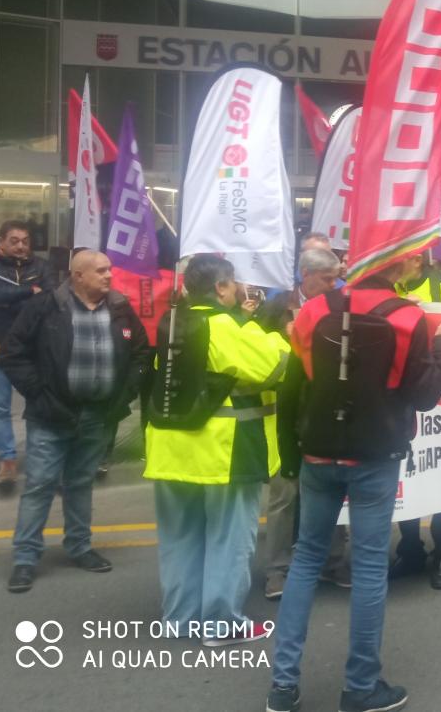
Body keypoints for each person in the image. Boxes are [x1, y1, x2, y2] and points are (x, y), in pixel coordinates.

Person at [266, 254, 441, 712]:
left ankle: (282, 686)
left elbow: (295, 386)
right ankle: (360, 687)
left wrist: (292, 456)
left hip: (318, 449)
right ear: (400, 262)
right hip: (375, 453)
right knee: (370, 565)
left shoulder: (313, 309)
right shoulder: (410, 318)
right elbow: (425, 398)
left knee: (306, 558)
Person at [144, 254, 290, 643]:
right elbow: (275, 366)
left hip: (170, 451)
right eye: (235, 282)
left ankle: (179, 618)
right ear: (222, 287)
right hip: (222, 454)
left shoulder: (172, 322)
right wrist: (276, 333)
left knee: (179, 538)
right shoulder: (222, 325)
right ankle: (221, 623)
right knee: (229, 539)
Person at [0, 250, 149, 593]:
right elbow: (12, 353)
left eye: (109, 269)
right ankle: (25, 558)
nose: (109, 275)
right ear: (78, 276)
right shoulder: (46, 307)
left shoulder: (120, 308)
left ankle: (79, 547)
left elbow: (141, 352)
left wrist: (124, 394)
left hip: (98, 415)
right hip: (51, 417)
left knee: (80, 483)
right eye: (100, 271)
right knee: (39, 485)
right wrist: (39, 395)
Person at [255, 248, 352, 600]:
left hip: (327, 413)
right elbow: (252, 344)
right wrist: (287, 339)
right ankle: (278, 570)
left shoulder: (342, 304)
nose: (333, 284)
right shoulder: (276, 306)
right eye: (327, 279)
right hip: (286, 412)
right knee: (284, 496)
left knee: (332, 492)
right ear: (306, 274)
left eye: (336, 278)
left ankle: (333, 561)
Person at [389, 251, 441, 589]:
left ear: (418, 259)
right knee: (410, 479)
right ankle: (410, 549)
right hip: (407, 395)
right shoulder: (389, 289)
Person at [0, 219, 56, 490]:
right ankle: (7, 460)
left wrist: (9, 296)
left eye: (25, 241)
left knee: (39, 402)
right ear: (0, 241)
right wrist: (26, 291)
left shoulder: (41, 267)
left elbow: (49, 297)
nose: (21, 246)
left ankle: (40, 456)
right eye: (14, 240)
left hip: (32, 349)